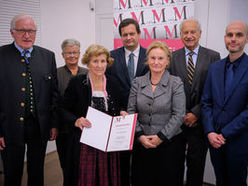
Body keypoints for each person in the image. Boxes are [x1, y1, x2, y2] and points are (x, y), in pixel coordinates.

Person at [0, 14, 58, 186]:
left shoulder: (48, 56)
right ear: (12, 32)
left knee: (37, 171)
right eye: (22, 30)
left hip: (38, 126)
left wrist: (53, 123)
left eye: (31, 31)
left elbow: (53, 94)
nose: (27, 35)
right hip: (9, 126)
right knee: (12, 172)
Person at [61, 44, 123, 186]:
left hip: (108, 142)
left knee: (107, 177)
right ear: (88, 62)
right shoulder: (77, 82)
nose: (99, 65)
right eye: (95, 61)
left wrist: (122, 111)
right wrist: (76, 120)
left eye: (103, 61)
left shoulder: (113, 82)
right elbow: (62, 109)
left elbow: (121, 105)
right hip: (85, 142)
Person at [126, 41, 186, 186]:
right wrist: (140, 136)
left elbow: (179, 115)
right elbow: (131, 111)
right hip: (142, 145)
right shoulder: (138, 82)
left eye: (160, 58)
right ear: (147, 60)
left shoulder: (175, 83)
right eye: (152, 58)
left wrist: (160, 137)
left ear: (167, 61)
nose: (156, 62)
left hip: (168, 145)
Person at [169, 18, 220, 186]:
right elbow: (169, 89)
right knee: (175, 165)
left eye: (193, 32)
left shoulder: (213, 56)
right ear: (180, 35)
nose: (189, 35)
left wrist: (196, 113)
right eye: (185, 32)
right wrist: (183, 113)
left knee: (196, 165)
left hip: (201, 120)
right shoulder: (172, 57)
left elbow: (214, 89)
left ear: (200, 34)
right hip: (177, 121)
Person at [201, 21, 248, 186]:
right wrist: (210, 132)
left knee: (237, 182)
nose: (233, 39)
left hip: (239, 140)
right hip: (214, 140)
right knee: (220, 180)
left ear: (246, 39)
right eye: (230, 35)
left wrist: (225, 133)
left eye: (239, 35)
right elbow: (206, 102)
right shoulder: (215, 68)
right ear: (225, 38)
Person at [106, 18, 149, 185]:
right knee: (122, 161)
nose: (129, 37)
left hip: (145, 116)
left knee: (142, 161)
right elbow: (108, 86)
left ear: (139, 33)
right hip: (121, 117)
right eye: (125, 35)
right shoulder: (111, 57)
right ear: (121, 37)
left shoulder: (149, 55)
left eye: (132, 33)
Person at [56, 39, 88, 186]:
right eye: (68, 52)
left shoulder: (88, 73)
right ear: (63, 54)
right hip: (64, 129)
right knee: (66, 165)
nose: (72, 55)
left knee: (83, 165)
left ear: (79, 54)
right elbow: (54, 102)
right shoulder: (56, 74)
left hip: (85, 129)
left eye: (75, 52)